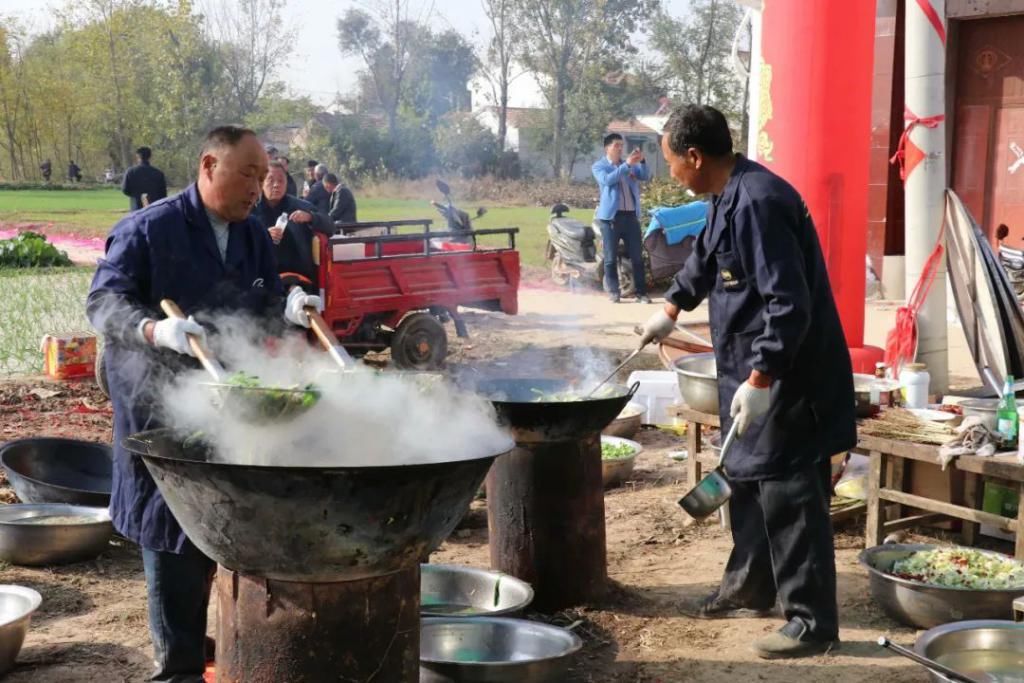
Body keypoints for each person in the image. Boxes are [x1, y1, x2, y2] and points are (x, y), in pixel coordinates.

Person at [86, 125, 320, 683]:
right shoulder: (148, 229)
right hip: (158, 405)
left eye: (264, 178)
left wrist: (286, 306)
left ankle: (208, 640)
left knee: (221, 525)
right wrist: (151, 330)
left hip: (224, 397)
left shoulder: (252, 234)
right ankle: (179, 669)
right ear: (209, 164)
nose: (257, 188)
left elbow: (256, 303)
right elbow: (102, 302)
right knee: (171, 535)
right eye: (248, 174)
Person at [638, 104, 855, 660]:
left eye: (671, 164)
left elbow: (789, 304)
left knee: (788, 491)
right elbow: (706, 262)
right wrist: (671, 309)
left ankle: (811, 622)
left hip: (789, 375)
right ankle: (750, 586)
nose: (671, 175)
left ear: (695, 156)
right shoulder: (726, 197)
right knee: (748, 479)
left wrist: (761, 378)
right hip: (751, 368)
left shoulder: (761, 201)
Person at [253, 160, 334, 291]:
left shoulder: (299, 206)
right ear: (261, 182)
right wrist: (264, 235)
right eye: (271, 180)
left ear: (287, 184)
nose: (276, 185)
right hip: (259, 278)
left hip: (297, 278)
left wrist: (310, 217)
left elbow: (330, 225)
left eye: (281, 181)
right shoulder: (250, 209)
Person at [592, 132, 652, 304]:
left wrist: (641, 161)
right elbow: (608, 180)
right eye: (616, 145)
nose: (620, 148)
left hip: (631, 216)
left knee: (637, 257)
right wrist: (626, 165)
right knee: (610, 258)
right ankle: (613, 292)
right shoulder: (599, 166)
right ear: (607, 148)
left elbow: (645, 176)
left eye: (621, 145)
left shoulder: (629, 164)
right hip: (611, 218)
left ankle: (641, 293)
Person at [122, 146, 168, 212]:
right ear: (150, 157)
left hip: (136, 208)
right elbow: (163, 194)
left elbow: (125, 190)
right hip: (153, 209)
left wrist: (135, 195)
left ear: (137, 156)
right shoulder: (158, 173)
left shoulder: (130, 172)